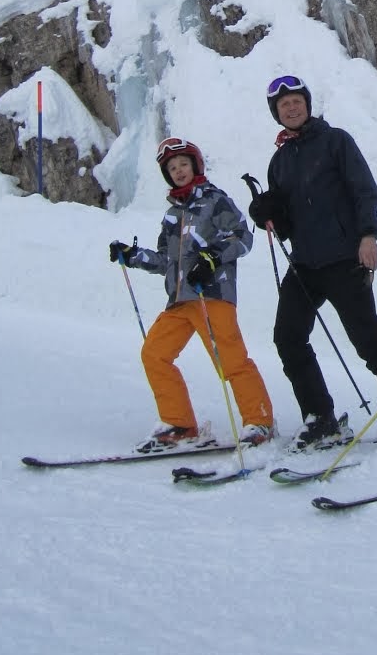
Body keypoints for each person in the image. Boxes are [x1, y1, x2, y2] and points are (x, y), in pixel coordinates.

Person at [247, 74, 377, 450]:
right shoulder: (278, 162)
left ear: (307, 105)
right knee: (288, 338)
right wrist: (267, 213)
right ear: (276, 113)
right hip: (305, 265)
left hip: (345, 258)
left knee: (368, 341)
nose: (291, 108)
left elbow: (364, 189)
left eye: (296, 101)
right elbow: (287, 223)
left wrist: (368, 235)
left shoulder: (336, 141)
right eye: (283, 105)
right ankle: (320, 417)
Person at [109, 136, 275, 453]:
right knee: (155, 354)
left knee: (231, 360)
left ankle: (260, 421)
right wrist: (132, 255)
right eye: (172, 167)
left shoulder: (215, 200)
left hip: (212, 294)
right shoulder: (173, 215)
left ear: (196, 165)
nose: (179, 171)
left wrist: (211, 258)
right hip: (180, 300)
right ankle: (179, 424)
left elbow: (242, 237)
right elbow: (164, 260)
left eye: (184, 164)